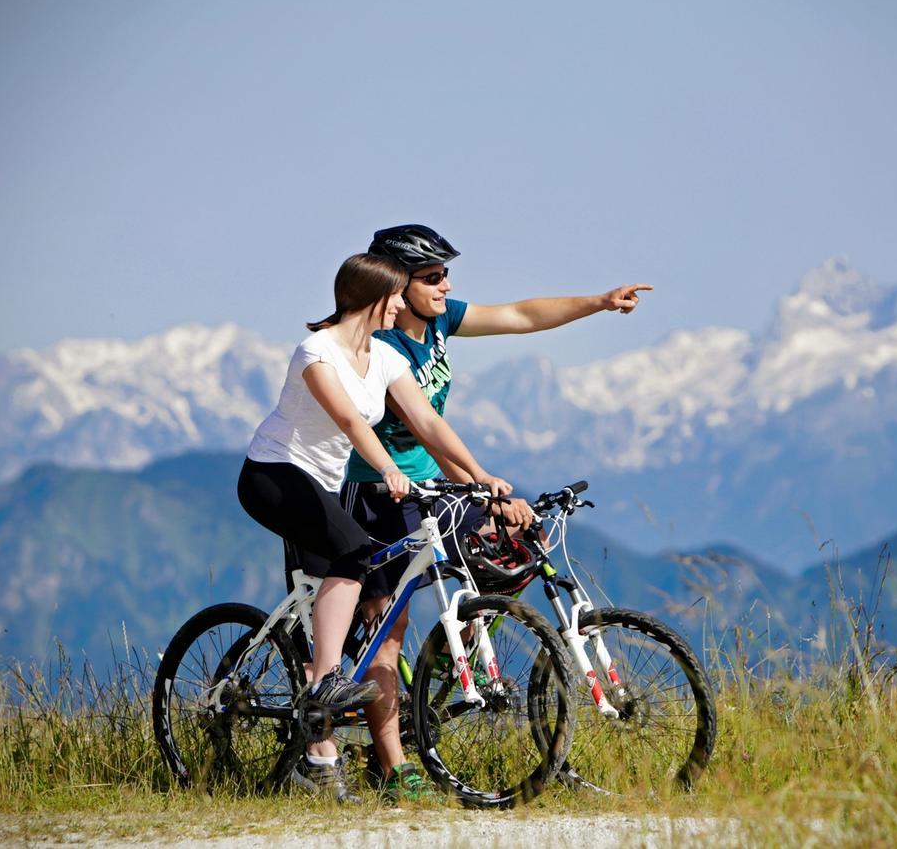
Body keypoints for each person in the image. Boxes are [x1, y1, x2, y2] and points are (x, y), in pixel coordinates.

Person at [336, 223, 653, 802]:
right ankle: (393, 766)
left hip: (434, 482)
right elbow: (425, 431)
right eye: (431, 277)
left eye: (445, 274)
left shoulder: (437, 322)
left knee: (508, 553)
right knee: (390, 631)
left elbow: (520, 315)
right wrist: (482, 484)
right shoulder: (380, 346)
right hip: (383, 493)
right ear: (396, 284)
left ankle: (462, 655)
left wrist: (600, 302)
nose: (444, 284)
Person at [236, 252, 512, 803]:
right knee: (354, 551)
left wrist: (480, 476)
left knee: (340, 578)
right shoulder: (317, 351)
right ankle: (327, 678)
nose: (401, 309)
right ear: (372, 300)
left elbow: (427, 421)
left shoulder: (382, 358)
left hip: (322, 485)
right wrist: (386, 468)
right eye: (394, 299)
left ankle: (317, 759)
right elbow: (347, 419)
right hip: (274, 475)